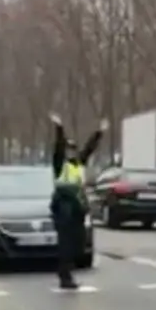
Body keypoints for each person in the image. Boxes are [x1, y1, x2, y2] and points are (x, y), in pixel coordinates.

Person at [49, 113, 108, 289]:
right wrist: (59, 129)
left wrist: (99, 132)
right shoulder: (60, 164)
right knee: (66, 243)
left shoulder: (78, 164)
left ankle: (67, 271)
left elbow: (89, 149)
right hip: (64, 206)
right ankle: (64, 276)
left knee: (78, 242)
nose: (71, 152)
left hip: (76, 207)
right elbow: (58, 148)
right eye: (69, 149)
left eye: (73, 149)